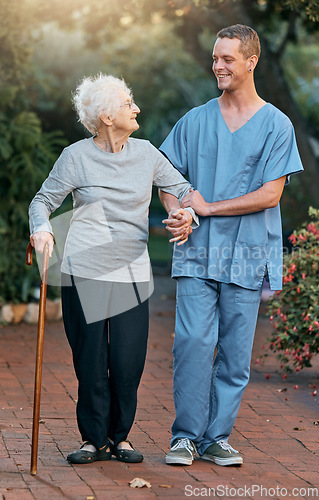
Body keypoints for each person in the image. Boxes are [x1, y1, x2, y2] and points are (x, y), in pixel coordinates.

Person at [29, 74, 195, 465]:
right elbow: (43, 200)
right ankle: (93, 440)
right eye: (127, 103)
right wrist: (41, 229)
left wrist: (183, 213)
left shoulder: (147, 153)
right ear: (105, 116)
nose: (136, 108)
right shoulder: (75, 157)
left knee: (126, 361)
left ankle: (120, 437)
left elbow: (182, 189)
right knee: (90, 362)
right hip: (84, 269)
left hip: (131, 273)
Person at [159, 24, 303, 467]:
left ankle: (216, 437)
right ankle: (185, 436)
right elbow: (167, 175)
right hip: (198, 252)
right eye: (215, 58)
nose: (217, 66)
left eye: (227, 59)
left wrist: (206, 207)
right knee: (193, 344)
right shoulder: (195, 120)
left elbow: (270, 195)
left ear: (251, 61)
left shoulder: (277, 124)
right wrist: (180, 210)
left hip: (246, 253)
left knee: (236, 353)